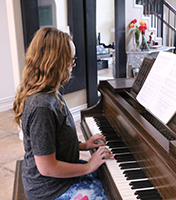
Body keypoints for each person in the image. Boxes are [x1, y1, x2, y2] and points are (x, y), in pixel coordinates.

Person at [13, 27, 113, 200]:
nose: (73, 66)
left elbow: (54, 140)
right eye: (71, 60)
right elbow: (47, 168)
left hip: (57, 180)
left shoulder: (50, 91)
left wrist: (82, 145)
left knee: (108, 176)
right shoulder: (41, 107)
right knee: (110, 193)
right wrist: (89, 166)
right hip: (48, 189)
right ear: (56, 62)